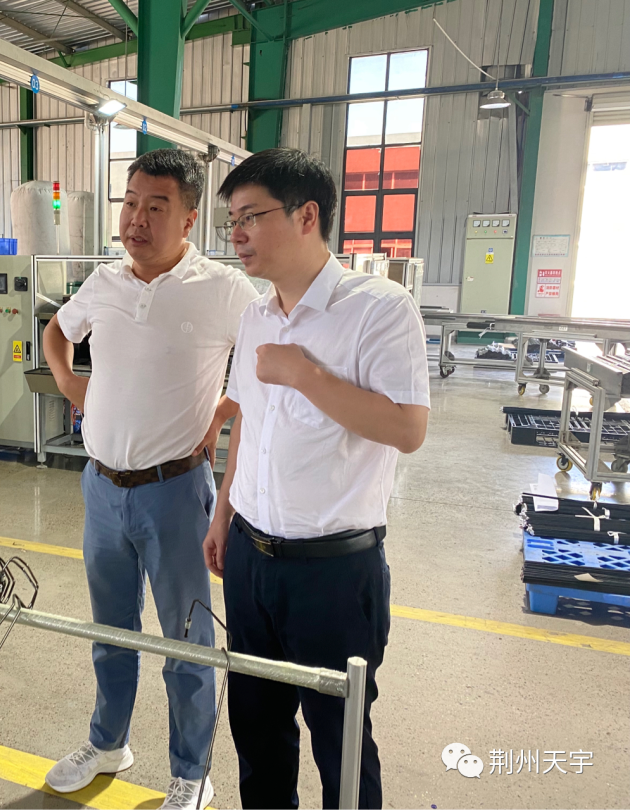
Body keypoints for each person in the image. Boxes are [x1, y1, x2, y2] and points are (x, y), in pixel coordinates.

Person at [203, 148, 430, 810]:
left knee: (341, 739)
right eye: (232, 221)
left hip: (333, 573)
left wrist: (306, 374)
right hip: (251, 559)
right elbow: (250, 425)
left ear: (306, 216)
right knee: (256, 728)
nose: (237, 234)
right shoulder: (255, 316)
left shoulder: (379, 309)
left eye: (251, 216)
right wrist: (223, 513)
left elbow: (406, 428)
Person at [42, 149, 259, 810]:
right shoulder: (104, 281)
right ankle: (108, 743)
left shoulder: (224, 290)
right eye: (130, 203)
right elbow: (57, 332)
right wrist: (70, 383)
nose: (136, 218)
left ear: (189, 218)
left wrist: (221, 412)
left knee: (187, 641)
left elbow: (264, 372)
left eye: (155, 206)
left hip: (174, 493)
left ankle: (192, 771)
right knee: (111, 631)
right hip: (101, 488)